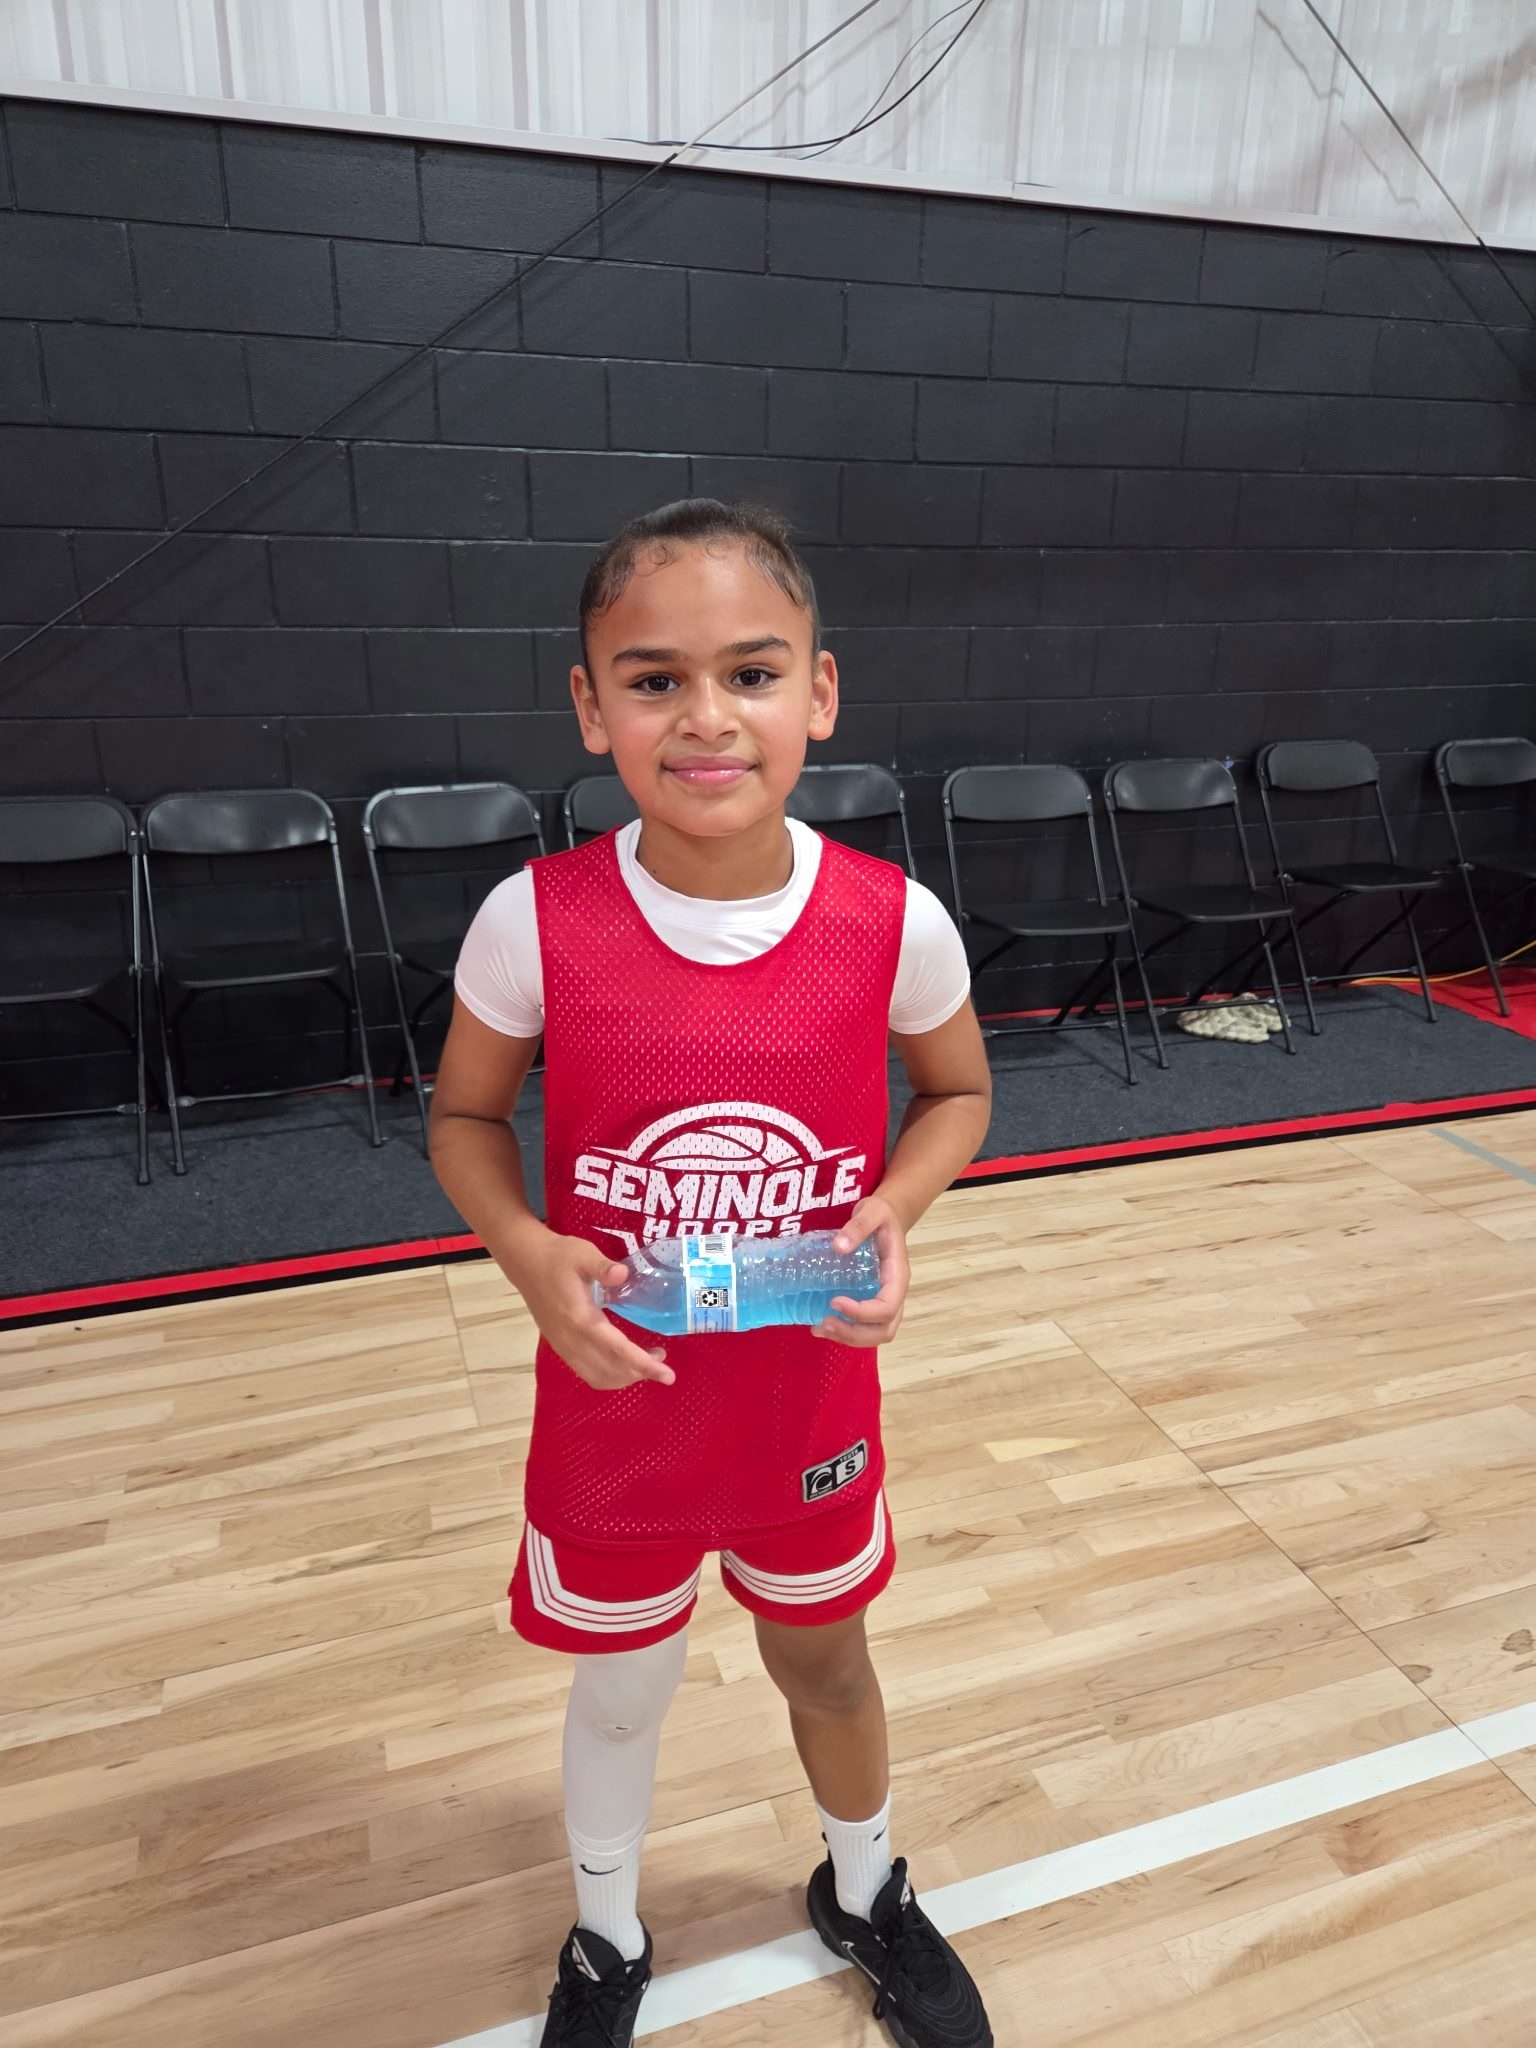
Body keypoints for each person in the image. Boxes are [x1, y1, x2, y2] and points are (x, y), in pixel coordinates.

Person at [431, 499, 994, 2048]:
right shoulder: (532, 919)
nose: (705, 717)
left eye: (750, 672)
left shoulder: (895, 919)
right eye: (654, 679)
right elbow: (465, 1121)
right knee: (622, 1691)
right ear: (590, 705)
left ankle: (865, 1890)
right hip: (618, 1405)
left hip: (806, 1401)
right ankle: (607, 1935)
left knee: (828, 1663)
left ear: (820, 690)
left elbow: (957, 1093)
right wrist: (527, 1249)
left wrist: (894, 1210)